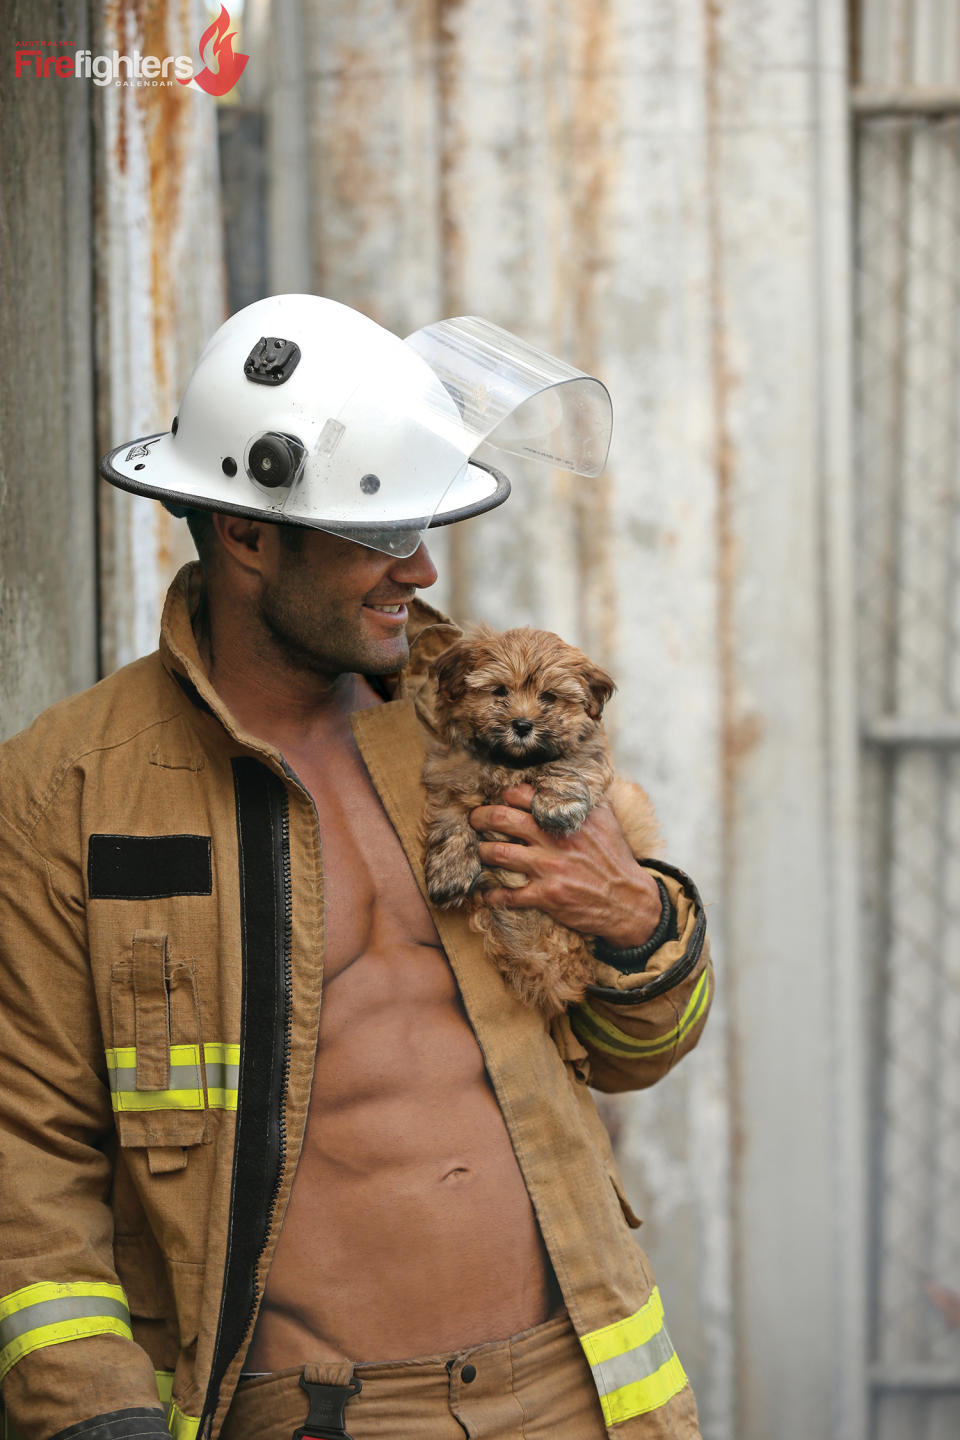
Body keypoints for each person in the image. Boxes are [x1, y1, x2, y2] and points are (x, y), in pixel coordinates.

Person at [0, 296, 713, 1440]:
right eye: (380, 536)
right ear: (246, 536)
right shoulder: (69, 792)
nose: (421, 569)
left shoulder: (477, 722)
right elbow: (28, 1155)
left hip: (584, 1389)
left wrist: (635, 918)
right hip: (314, 1411)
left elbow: (643, 1056)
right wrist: (98, 1417)